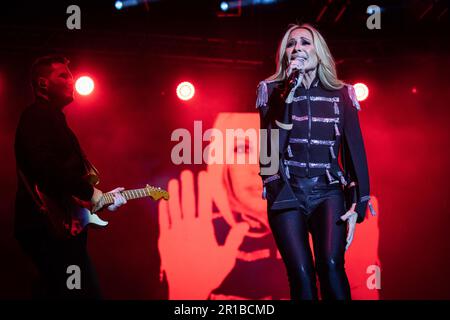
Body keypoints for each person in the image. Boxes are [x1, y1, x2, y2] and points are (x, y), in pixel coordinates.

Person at [256, 24, 376, 300]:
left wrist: (359, 203)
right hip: (287, 192)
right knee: (301, 274)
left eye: (305, 43)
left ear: (318, 52)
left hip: (328, 191)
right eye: (291, 44)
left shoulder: (342, 93)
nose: (297, 48)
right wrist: (289, 92)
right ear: (285, 54)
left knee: (331, 266)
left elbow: (354, 149)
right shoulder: (272, 91)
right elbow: (269, 152)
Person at [14, 55, 126, 299]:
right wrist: (91, 193)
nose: (71, 80)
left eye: (71, 74)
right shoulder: (37, 116)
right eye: (63, 75)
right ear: (43, 84)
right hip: (46, 226)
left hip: (60, 227)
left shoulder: (54, 120)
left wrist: (97, 200)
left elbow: (61, 182)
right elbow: (45, 167)